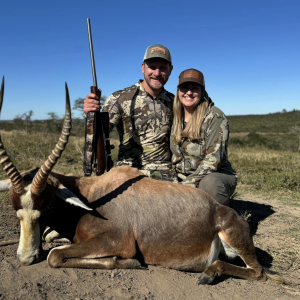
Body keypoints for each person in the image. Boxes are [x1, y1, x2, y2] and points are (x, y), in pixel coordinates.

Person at [83, 44, 175, 180]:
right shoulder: (120, 97)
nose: (156, 73)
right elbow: (100, 133)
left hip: (166, 174)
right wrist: (90, 116)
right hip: (129, 173)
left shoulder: (176, 101)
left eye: (162, 68)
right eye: (152, 67)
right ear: (143, 67)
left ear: (170, 70)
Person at [170, 68, 237, 206]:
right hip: (181, 177)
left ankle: (223, 221)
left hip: (212, 175)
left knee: (210, 184)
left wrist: (183, 188)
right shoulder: (173, 116)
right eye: (184, 88)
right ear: (178, 91)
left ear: (202, 91)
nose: (189, 92)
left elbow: (213, 161)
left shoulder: (215, 116)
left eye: (194, 88)